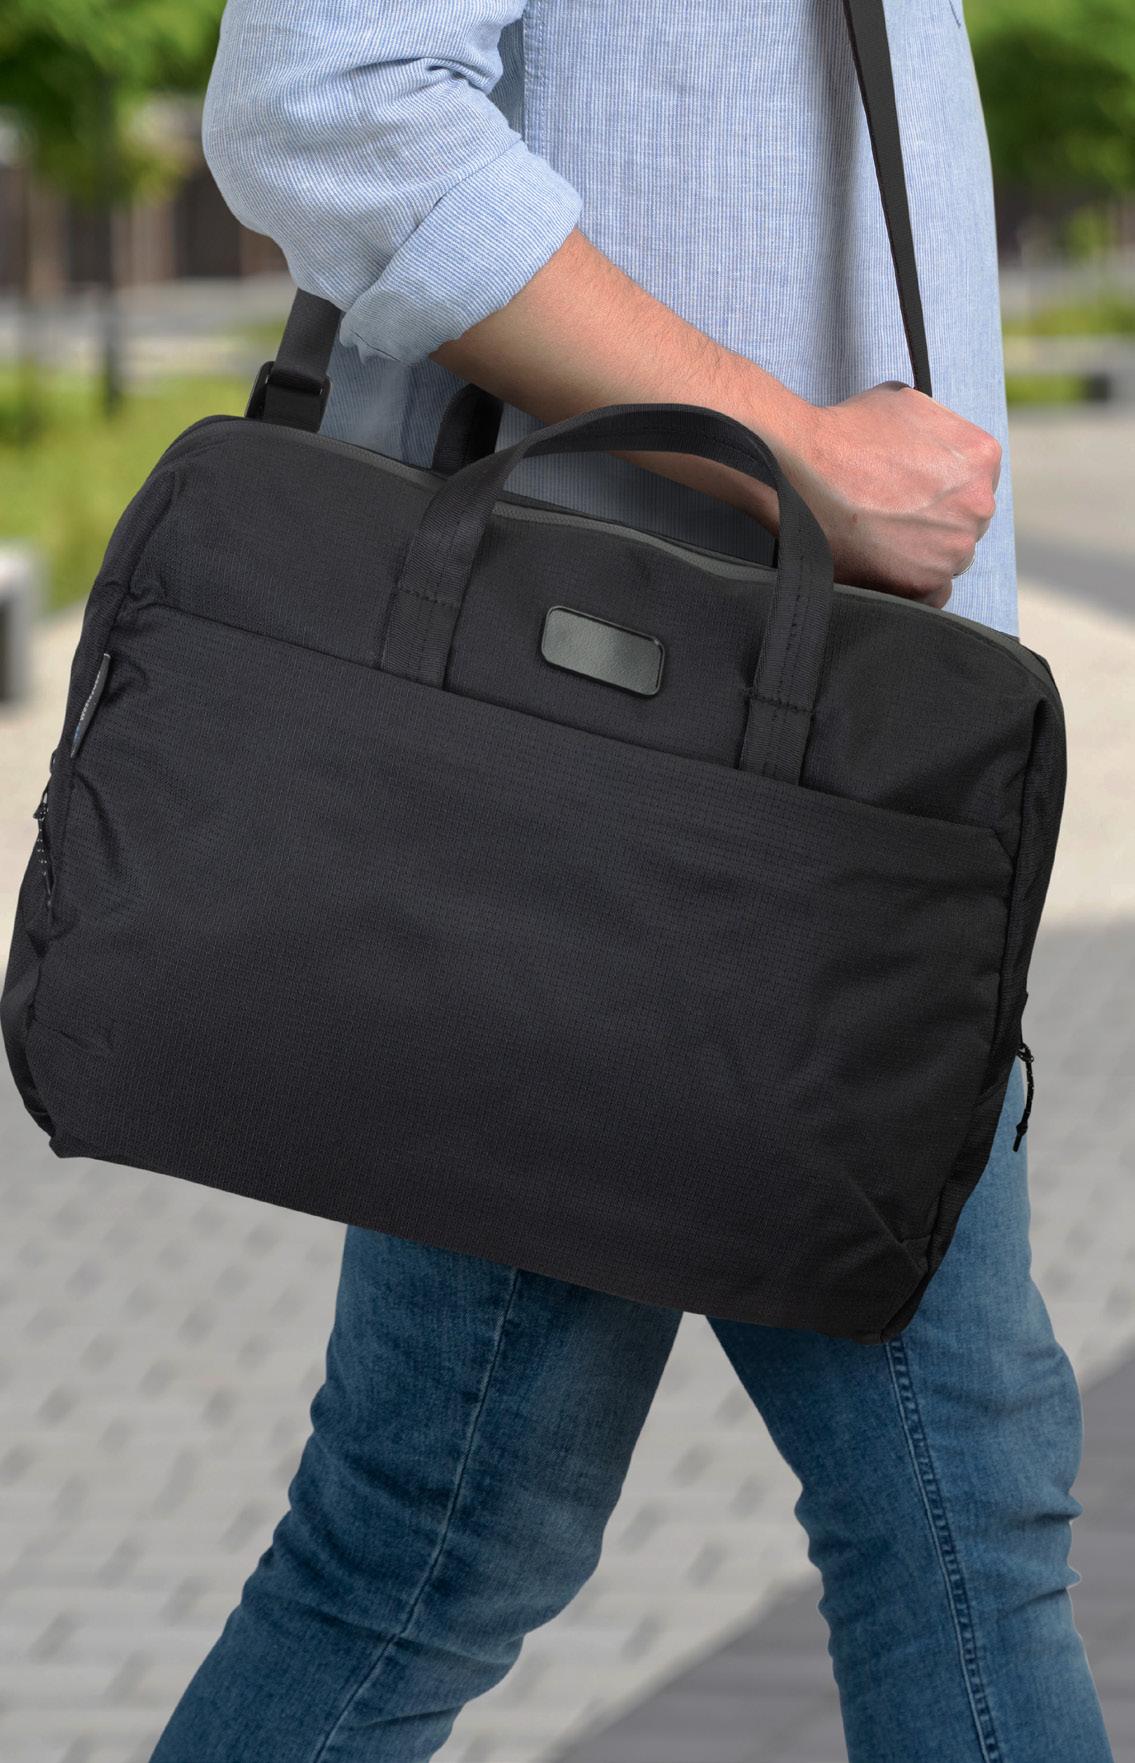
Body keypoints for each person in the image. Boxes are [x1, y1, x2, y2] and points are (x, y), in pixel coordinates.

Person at [150, 2, 1113, 1759]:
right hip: (638, 781)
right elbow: (325, 97)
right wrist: (797, 454)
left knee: (440, 1550)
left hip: (815, 779)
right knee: (928, 1529)